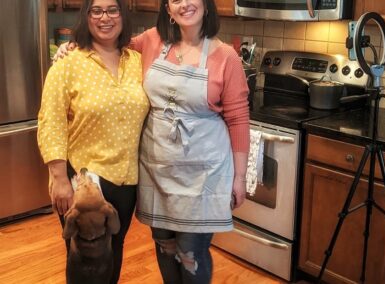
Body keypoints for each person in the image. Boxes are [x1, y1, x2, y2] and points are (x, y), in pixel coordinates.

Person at [55, 0, 250, 282]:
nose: (184, 4)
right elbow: (107, 44)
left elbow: (238, 118)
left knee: (190, 252)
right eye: (175, 0)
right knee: (165, 246)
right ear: (167, 9)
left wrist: (240, 176)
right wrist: (73, 45)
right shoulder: (150, 41)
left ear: (207, 5)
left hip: (202, 176)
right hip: (156, 171)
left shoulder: (226, 57)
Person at [37, 0, 149, 283]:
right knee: (84, 258)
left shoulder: (136, 61)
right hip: (83, 179)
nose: (105, 18)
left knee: (115, 250)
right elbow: (51, 121)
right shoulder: (68, 63)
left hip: (126, 179)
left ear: (123, 15)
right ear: (86, 17)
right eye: (96, 11)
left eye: (112, 10)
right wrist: (59, 178)